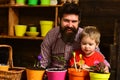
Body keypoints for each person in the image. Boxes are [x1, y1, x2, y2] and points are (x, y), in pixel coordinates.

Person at [39, 3, 108, 69]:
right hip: (56, 74)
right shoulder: (51, 35)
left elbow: (98, 57)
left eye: (74, 21)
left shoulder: (85, 35)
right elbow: (43, 62)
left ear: (79, 22)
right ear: (59, 20)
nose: (70, 25)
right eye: (66, 21)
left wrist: (105, 67)